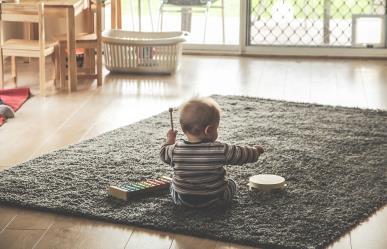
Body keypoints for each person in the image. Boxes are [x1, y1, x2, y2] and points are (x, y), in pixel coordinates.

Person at [160, 97, 264, 208]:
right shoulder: (220, 149)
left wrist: (170, 140)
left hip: (183, 199)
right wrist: (255, 151)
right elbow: (241, 154)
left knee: (172, 184)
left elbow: (163, 153)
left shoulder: (175, 150)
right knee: (232, 183)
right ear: (208, 130)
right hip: (215, 199)